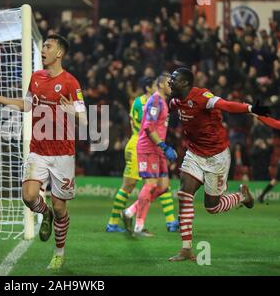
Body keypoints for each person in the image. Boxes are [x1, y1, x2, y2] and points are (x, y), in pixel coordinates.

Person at [0, 34, 87, 270]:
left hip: (62, 154)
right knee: (29, 196)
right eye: (44, 46)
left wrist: (72, 112)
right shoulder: (36, 78)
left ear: (59, 53)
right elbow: (26, 104)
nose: (43, 50)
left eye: (48, 46)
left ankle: (59, 252)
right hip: (38, 150)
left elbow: (84, 118)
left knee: (61, 209)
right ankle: (44, 213)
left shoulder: (71, 82)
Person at [167, 67, 271, 262]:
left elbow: (225, 105)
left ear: (185, 83)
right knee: (184, 194)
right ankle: (186, 249)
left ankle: (241, 196)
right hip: (195, 153)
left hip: (216, 156)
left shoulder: (203, 96)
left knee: (212, 207)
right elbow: (167, 109)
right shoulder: (175, 101)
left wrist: (250, 108)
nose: (169, 82)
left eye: (173, 79)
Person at [121, 73, 179, 237]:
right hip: (148, 148)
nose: (171, 85)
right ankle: (139, 227)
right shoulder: (154, 100)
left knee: (163, 187)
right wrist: (163, 145)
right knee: (151, 185)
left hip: (158, 150)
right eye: (169, 83)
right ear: (160, 85)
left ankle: (130, 212)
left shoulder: (162, 101)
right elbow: (148, 126)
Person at [106, 77, 154, 233]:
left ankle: (138, 223)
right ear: (148, 87)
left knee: (152, 185)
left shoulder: (153, 102)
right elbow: (147, 125)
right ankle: (113, 223)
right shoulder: (141, 102)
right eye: (156, 85)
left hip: (145, 147)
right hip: (137, 146)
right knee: (128, 186)